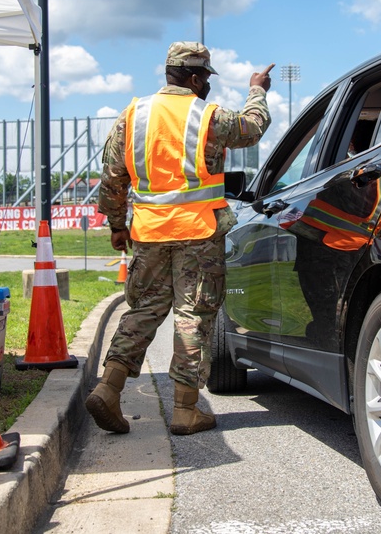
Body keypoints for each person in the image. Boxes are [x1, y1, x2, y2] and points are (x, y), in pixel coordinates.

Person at [86, 41, 273, 435]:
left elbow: (112, 177)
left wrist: (117, 225)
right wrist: (258, 89)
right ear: (192, 76)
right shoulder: (208, 116)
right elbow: (252, 128)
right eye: (205, 76)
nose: (206, 84)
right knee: (193, 315)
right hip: (198, 232)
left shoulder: (132, 115)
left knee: (143, 311)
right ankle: (186, 410)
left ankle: (109, 388)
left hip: (149, 232)